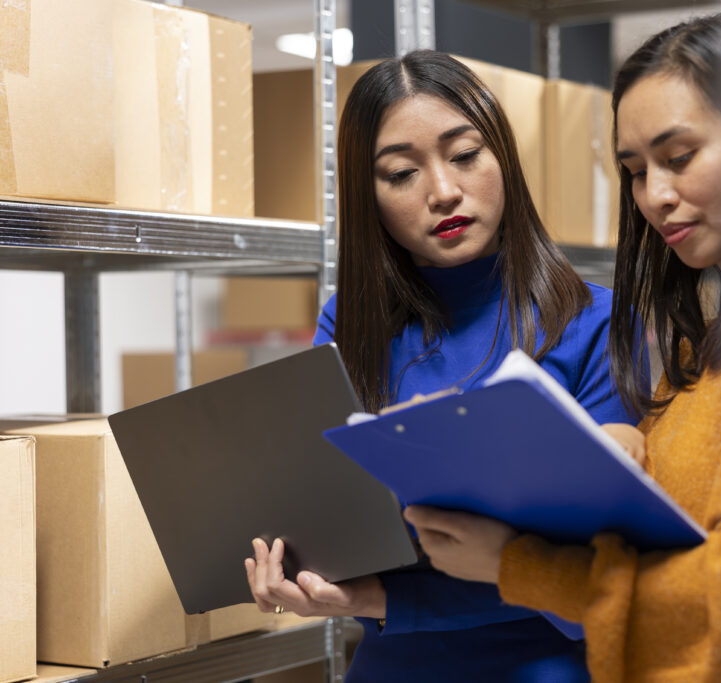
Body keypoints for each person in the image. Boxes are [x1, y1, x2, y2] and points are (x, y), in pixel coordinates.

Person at [244, 50, 639, 682]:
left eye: (464, 155)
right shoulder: (348, 327)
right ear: (367, 197)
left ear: (502, 157)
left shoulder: (597, 323)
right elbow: (332, 527)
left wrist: (386, 600)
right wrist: (290, 564)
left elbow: (600, 584)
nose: (444, 191)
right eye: (401, 173)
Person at [404, 13, 721, 682]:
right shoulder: (707, 348)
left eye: (680, 157)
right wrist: (631, 456)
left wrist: (513, 564)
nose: (655, 196)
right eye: (634, 171)